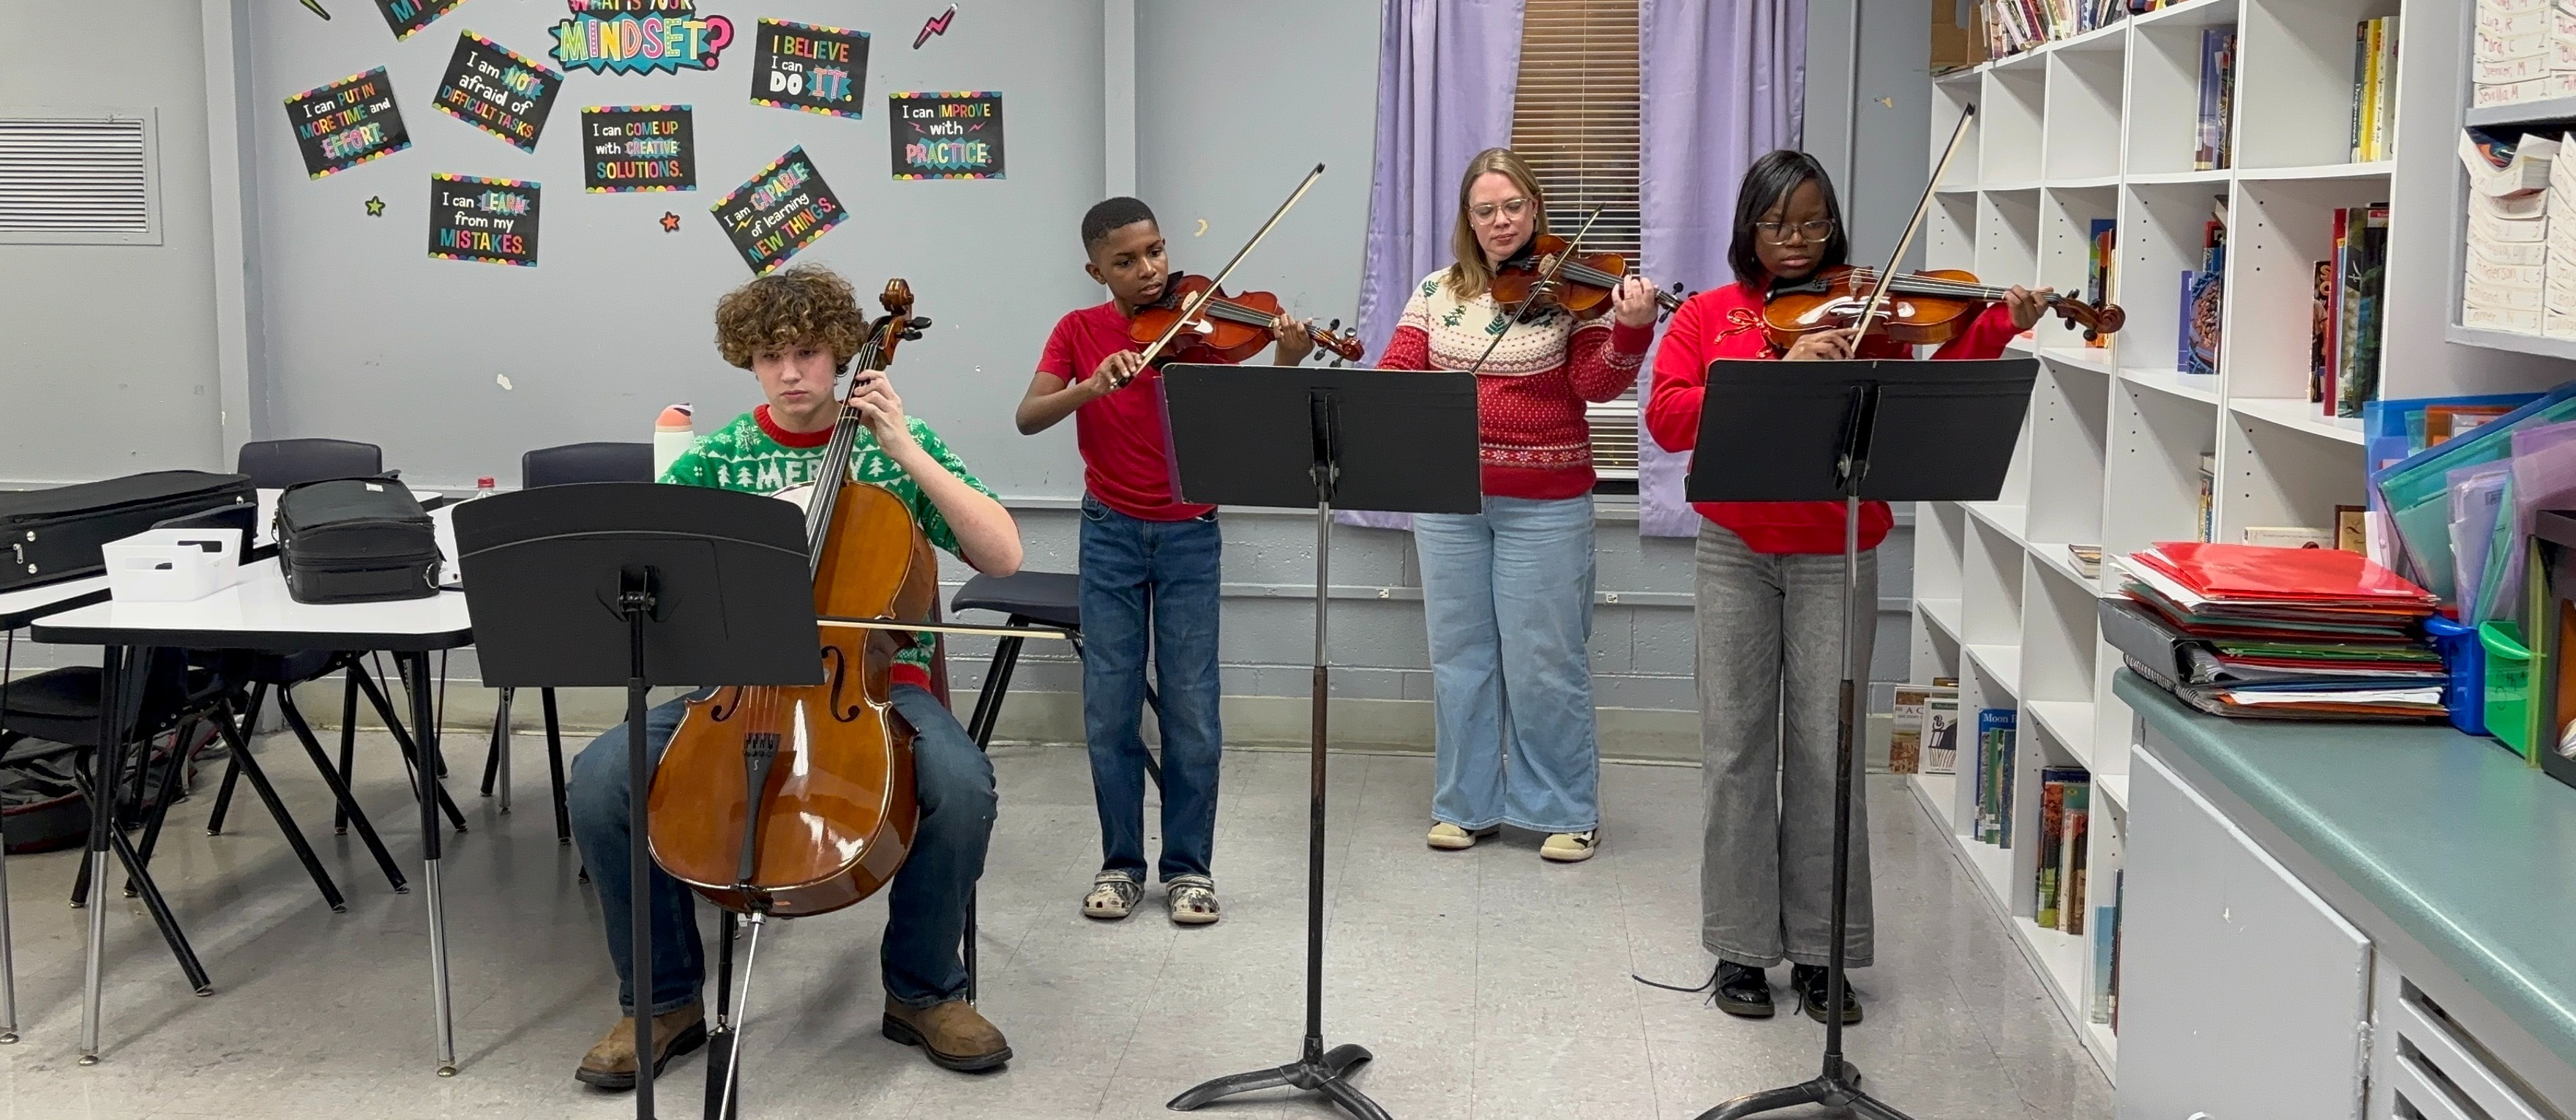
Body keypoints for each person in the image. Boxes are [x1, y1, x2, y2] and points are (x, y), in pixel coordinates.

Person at [566, 264, 1026, 1088]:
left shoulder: (889, 452)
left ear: (843, 353)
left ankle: (924, 991)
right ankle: (662, 1001)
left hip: (877, 692)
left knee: (963, 785)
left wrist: (906, 448)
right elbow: (658, 593)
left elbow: (1001, 554)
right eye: (770, 355)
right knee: (602, 776)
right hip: (732, 690)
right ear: (747, 359)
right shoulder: (715, 463)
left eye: (810, 353)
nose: (789, 373)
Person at [1644, 150, 2049, 1024]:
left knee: (1828, 753)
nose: (1796, 241)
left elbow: (1940, 377)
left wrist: (1998, 323)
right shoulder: (1711, 317)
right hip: (1734, 550)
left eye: (1814, 222)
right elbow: (1666, 415)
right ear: (1747, 228)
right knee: (1735, 751)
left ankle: (1826, 955)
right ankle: (1741, 950)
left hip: (1838, 547)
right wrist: (1767, 374)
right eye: (1778, 224)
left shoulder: (1865, 314)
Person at [1015, 197, 1316, 925]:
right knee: (1108, 709)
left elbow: (1253, 424)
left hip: (1190, 531)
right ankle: (1120, 863)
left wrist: (1284, 353)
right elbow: (1028, 416)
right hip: (1108, 530)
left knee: (1192, 708)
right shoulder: (1078, 332)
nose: (1149, 270)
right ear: (1097, 270)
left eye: (1154, 251)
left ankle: (1189, 869)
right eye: (1126, 261)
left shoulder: (1204, 329)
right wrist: (1093, 385)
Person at [1377, 148, 1659, 863]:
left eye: (1512, 207)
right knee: (1460, 658)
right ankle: (1464, 806)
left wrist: (1631, 327)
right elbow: (1396, 375)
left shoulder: (1573, 290)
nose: (1500, 221)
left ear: (1534, 211)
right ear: (1467, 221)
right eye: (1485, 210)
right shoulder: (1436, 291)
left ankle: (1565, 810)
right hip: (1448, 503)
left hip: (1546, 502)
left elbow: (1597, 385)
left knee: (1543, 660)